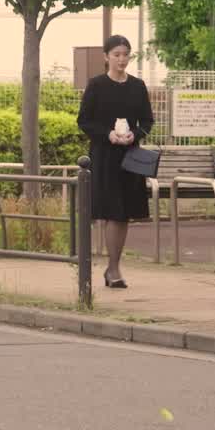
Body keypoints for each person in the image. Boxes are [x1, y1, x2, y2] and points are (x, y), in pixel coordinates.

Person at [77, 34, 155, 288]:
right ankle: (113, 269)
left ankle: (114, 266)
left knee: (124, 213)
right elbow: (84, 121)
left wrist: (136, 134)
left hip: (130, 155)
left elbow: (147, 120)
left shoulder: (137, 86)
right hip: (104, 156)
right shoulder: (96, 85)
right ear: (106, 57)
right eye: (116, 54)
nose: (122, 59)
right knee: (112, 211)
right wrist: (107, 134)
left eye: (125, 54)